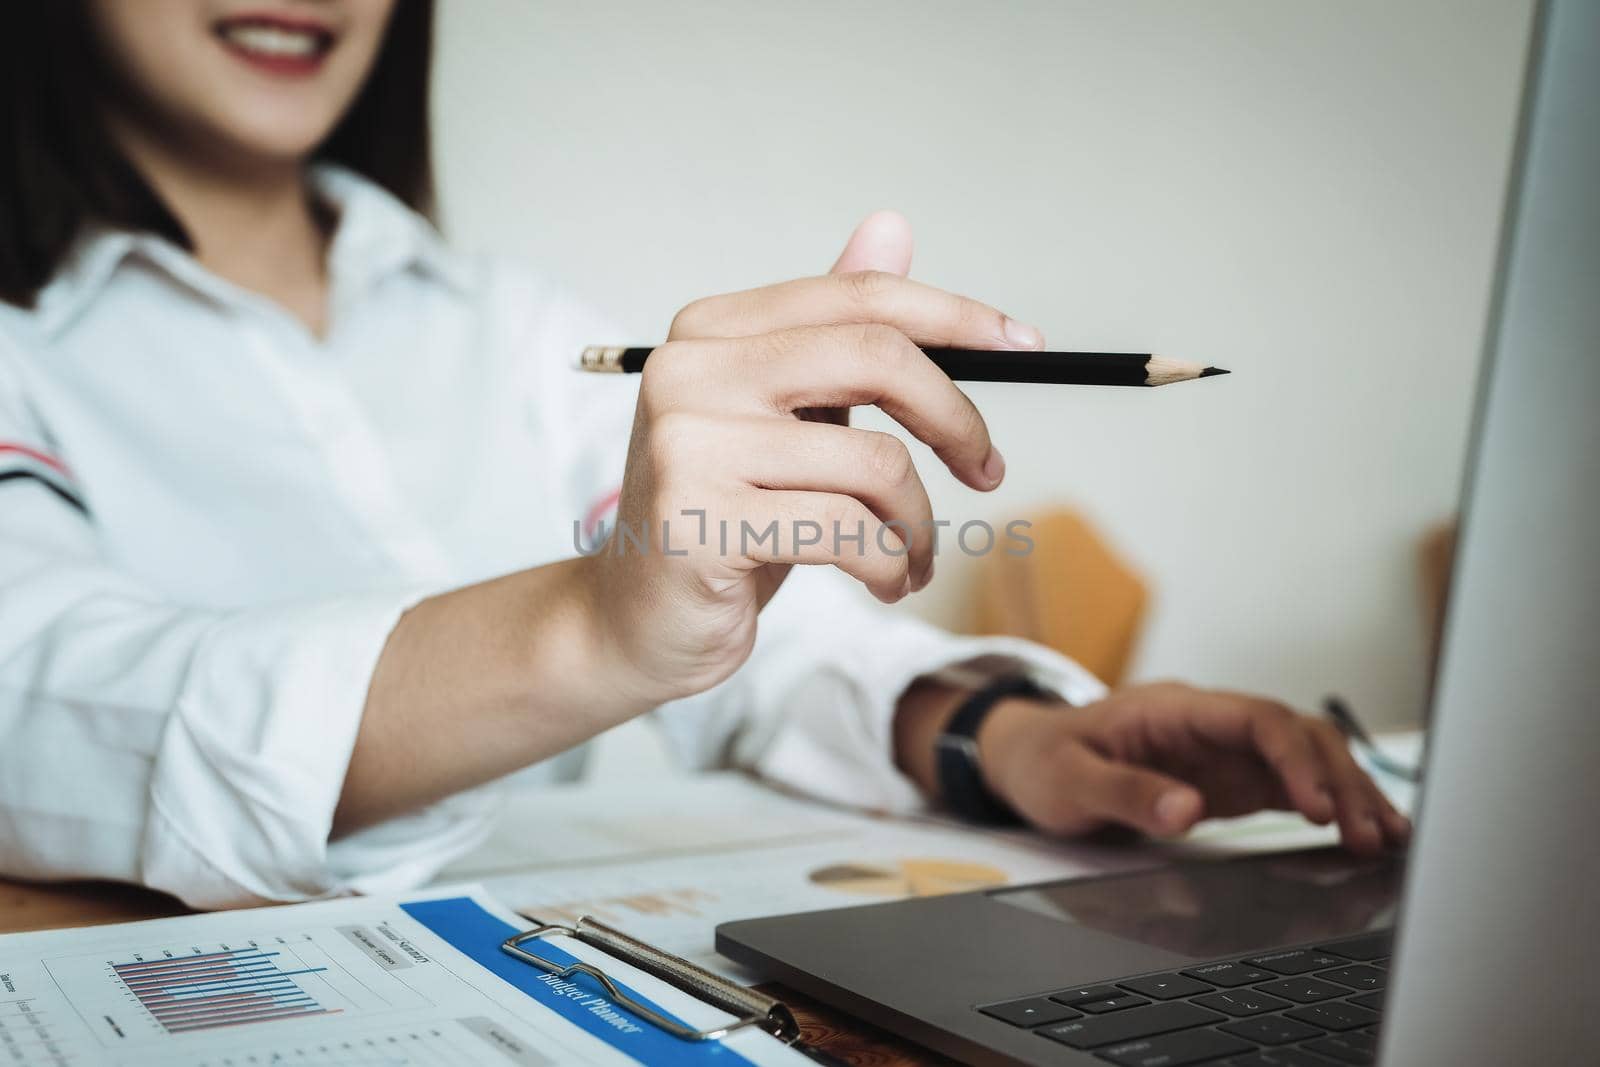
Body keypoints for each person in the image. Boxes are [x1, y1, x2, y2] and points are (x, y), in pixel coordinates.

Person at [0, 0, 1406, 909]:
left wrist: (1007, 737)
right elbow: (39, 697)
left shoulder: (516, 327)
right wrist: (586, 624)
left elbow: (743, 648)